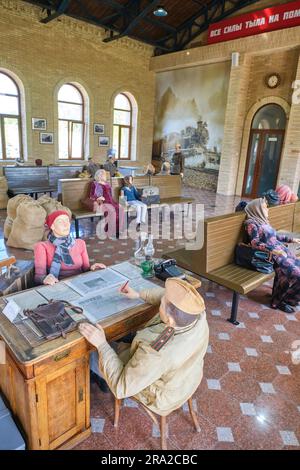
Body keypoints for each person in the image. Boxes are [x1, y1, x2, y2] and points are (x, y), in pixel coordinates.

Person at [79, 277, 209, 416]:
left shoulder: (156, 354)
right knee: (121, 337)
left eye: (162, 304)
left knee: (88, 353)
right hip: (185, 378)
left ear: (170, 320)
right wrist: (139, 294)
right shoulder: (196, 313)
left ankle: (100, 381)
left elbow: (121, 386)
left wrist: (102, 345)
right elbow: (165, 296)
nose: (161, 300)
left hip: (158, 394)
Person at [244, 198, 300, 313]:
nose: (267, 210)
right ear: (257, 209)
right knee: (294, 273)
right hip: (272, 255)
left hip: (281, 251)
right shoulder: (251, 224)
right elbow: (255, 243)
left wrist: (291, 239)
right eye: (265, 207)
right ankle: (277, 302)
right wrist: (272, 250)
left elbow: (275, 237)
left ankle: (288, 298)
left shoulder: (263, 221)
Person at [34, 210, 106, 286]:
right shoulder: (42, 246)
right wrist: (44, 279)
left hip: (80, 283)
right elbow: (38, 277)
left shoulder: (80, 243)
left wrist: (93, 267)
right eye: (61, 222)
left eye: (67, 221)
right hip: (57, 285)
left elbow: (86, 269)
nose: (66, 225)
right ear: (52, 226)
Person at [93, 169, 124, 237]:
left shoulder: (106, 183)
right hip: (104, 203)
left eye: (103, 174)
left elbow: (110, 193)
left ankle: (118, 229)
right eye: (100, 174)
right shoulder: (96, 184)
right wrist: (99, 198)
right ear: (97, 175)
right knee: (112, 212)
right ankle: (111, 231)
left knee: (121, 209)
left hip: (111, 201)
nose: (102, 175)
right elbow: (95, 195)